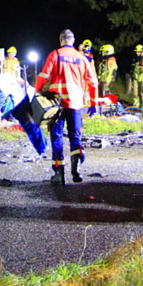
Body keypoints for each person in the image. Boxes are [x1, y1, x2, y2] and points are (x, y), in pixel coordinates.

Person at [35, 29, 98, 185]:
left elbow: (43, 76)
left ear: (61, 40)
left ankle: (59, 174)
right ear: (73, 40)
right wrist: (94, 103)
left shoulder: (55, 54)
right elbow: (93, 82)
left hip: (56, 103)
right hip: (75, 104)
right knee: (75, 136)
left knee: (56, 137)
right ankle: (76, 169)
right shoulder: (82, 58)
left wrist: (37, 92)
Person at [0, 72, 47, 155]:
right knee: (31, 124)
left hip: (6, 92)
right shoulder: (15, 80)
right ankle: (42, 148)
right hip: (24, 101)